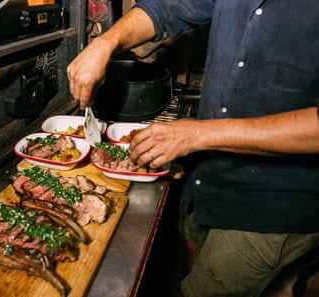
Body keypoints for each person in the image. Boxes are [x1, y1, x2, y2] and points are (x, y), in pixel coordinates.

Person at [67, 1, 319, 296]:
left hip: (272, 203)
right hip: (208, 178)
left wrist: (198, 134)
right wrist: (106, 43)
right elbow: (166, 7)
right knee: (183, 270)